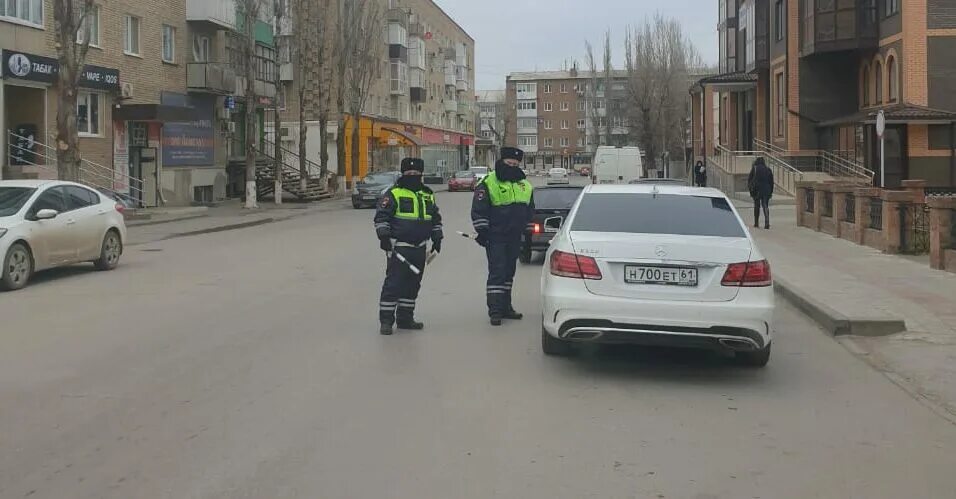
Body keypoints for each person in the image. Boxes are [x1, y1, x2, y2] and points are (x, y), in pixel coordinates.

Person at [374, 158, 443, 335]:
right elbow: (382, 218)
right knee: (393, 285)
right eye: (409, 174)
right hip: (400, 247)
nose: (413, 176)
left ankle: (405, 319)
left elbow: (435, 218)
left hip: (420, 248)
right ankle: (386, 322)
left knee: (412, 285)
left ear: (421, 174)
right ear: (403, 174)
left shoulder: (427, 194)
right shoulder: (393, 193)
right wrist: (384, 237)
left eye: (416, 174)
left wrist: (437, 237)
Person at [471, 147, 535, 326]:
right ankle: (495, 311)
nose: (512, 166)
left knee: (509, 273)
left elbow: (529, 210)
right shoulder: (488, 182)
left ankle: (507, 307)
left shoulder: (524, 184)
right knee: (497, 273)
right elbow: (479, 209)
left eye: (515, 164)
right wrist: (482, 232)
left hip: (515, 237)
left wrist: (528, 235)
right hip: (496, 236)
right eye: (509, 163)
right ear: (502, 162)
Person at [748, 157, 775, 229]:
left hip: (757, 190)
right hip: (766, 190)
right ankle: (767, 222)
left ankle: (756, 223)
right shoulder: (768, 169)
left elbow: (749, 180)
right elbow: (771, 182)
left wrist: (750, 190)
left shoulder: (755, 169)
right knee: (765, 205)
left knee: (757, 206)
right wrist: (771, 192)